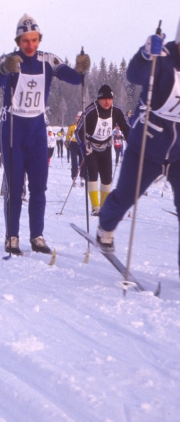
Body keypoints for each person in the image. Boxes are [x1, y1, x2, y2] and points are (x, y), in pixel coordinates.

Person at [0, 14, 88, 254]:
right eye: (25, 40)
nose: (30, 45)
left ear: (39, 39)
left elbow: (73, 78)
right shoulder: (9, 59)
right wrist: (5, 68)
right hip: (13, 129)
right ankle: (11, 236)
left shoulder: (48, 60)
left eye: (34, 40)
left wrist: (81, 69)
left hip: (36, 130)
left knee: (39, 186)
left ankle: (37, 236)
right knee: (15, 186)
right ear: (18, 41)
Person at [97, 21, 180, 272]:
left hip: (178, 155)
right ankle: (106, 228)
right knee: (124, 197)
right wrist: (145, 56)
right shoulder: (162, 58)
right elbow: (134, 75)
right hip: (147, 147)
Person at [75, 84, 130, 215]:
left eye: (110, 99)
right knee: (93, 174)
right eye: (104, 99)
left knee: (107, 177)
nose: (107, 102)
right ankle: (95, 207)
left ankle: (104, 207)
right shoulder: (91, 111)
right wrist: (83, 145)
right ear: (99, 99)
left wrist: (132, 143)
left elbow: (126, 128)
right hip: (91, 146)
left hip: (106, 145)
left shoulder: (116, 111)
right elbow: (78, 131)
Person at [67, 112, 85, 187]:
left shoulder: (85, 126)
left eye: (80, 118)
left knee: (83, 161)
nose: (79, 119)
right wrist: (67, 141)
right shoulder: (72, 126)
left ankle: (82, 177)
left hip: (81, 144)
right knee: (74, 161)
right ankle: (74, 177)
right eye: (78, 118)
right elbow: (68, 135)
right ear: (76, 118)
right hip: (74, 144)